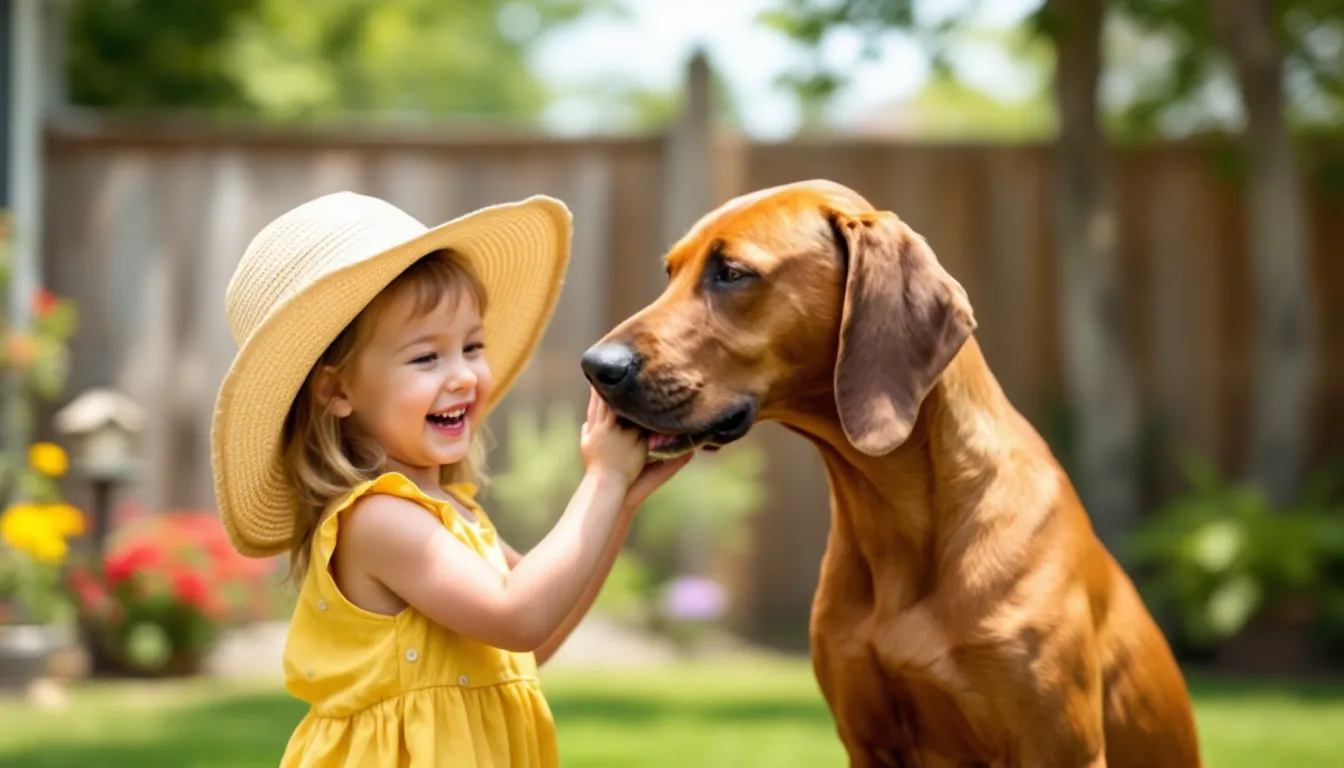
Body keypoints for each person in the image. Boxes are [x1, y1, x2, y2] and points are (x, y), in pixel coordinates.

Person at [210, 191, 692, 767]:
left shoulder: (452, 511)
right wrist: (603, 480)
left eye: (472, 346)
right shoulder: (377, 519)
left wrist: (620, 505)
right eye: (426, 358)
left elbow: (538, 636)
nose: (463, 375)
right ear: (337, 390)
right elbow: (519, 617)